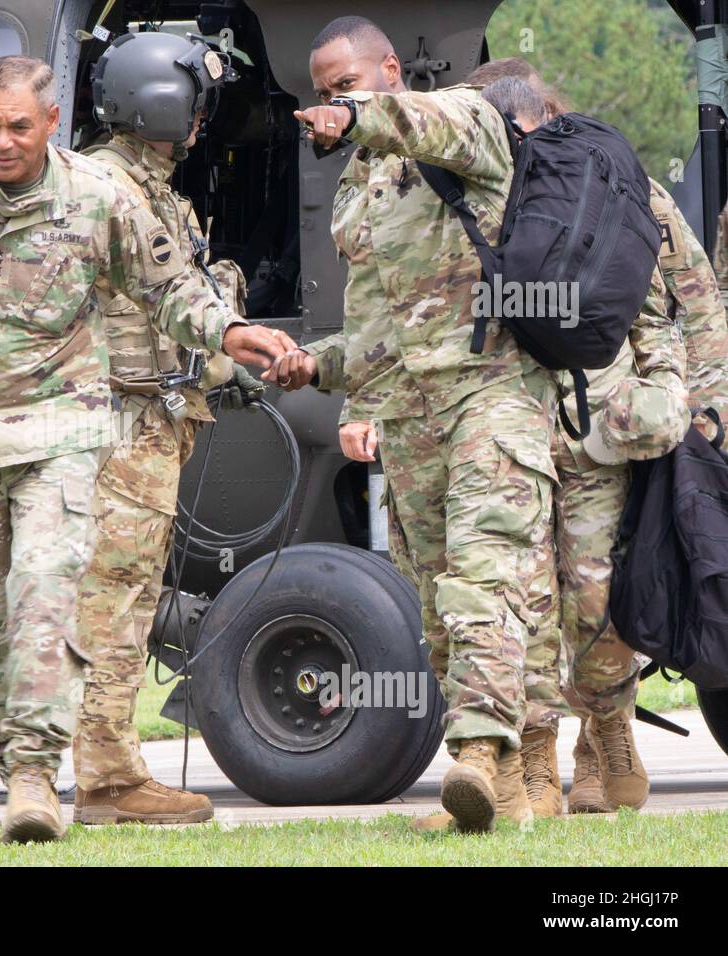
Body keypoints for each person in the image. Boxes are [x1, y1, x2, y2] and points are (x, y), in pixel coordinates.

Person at [0, 55, 294, 843]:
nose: (2, 142)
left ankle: (35, 778)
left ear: (52, 124)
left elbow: (170, 287)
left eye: (19, 126)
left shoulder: (98, 197)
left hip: (61, 428)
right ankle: (9, 756)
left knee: (46, 593)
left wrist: (231, 331)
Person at [292, 17, 682, 833]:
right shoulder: (362, 187)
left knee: (498, 582)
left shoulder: (466, 123)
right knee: (439, 600)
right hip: (411, 410)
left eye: (347, 86)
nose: (331, 104)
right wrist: (320, 368)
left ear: (390, 70)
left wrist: (363, 115)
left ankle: (490, 752)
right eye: (323, 94)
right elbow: (379, 322)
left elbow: (427, 121)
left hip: (495, 397)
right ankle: (508, 786)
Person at [467, 60, 712, 816]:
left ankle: (608, 742)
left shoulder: (616, 184)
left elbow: (694, 301)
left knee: (598, 599)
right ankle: (537, 768)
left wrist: (701, 408)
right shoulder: (475, 197)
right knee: (524, 602)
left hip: (603, 432)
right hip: (507, 432)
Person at [72, 31, 262, 825]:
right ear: (166, 107)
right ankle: (108, 781)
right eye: (197, 103)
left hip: (147, 417)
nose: (203, 120)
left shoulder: (142, 189)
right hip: (124, 423)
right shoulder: (112, 190)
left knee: (126, 595)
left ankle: (90, 767)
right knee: (114, 600)